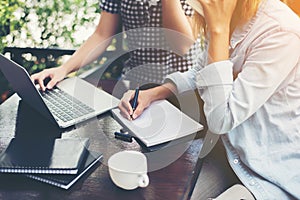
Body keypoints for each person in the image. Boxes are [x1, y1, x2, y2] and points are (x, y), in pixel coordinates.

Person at [118, 0, 300, 199]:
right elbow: (200, 72)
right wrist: (153, 93)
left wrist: (219, 29)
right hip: (228, 154)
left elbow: (222, 119)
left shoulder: (281, 32)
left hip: (268, 175)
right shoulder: (235, 14)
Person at [31, 0, 199, 92]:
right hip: (136, 85)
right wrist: (64, 69)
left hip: (182, 87)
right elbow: (102, 35)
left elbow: (182, 45)